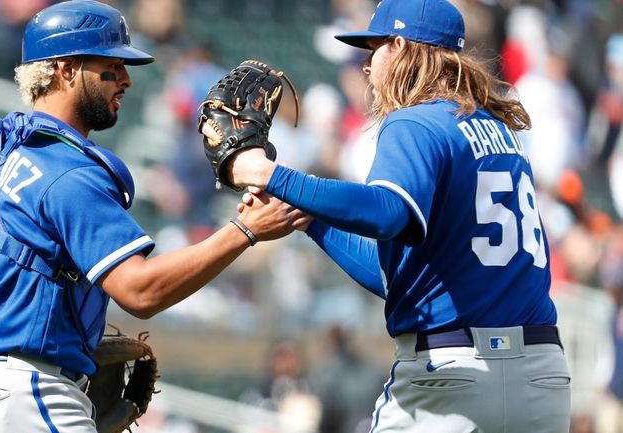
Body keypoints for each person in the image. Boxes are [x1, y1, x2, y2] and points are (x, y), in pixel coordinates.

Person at [0, 1, 307, 432]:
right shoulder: (67, 171)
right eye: (111, 67)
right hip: (29, 398)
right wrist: (245, 230)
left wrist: (25, 331)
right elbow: (141, 291)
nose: (127, 80)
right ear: (67, 70)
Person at [218, 0, 571, 431]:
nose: (367, 65)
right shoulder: (496, 128)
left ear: (401, 46)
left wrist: (271, 174)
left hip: (451, 374)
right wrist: (308, 216)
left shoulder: (415, 122)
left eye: (374, 48)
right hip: (541, 376)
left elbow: (387, 212)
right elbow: (402, 281)